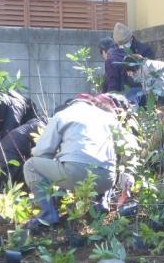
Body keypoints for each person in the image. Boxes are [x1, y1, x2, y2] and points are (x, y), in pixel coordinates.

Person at [23, 97, 116, 228]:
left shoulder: (62, 115)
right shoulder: (105, 116)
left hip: (77, 174)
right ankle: (101, 202)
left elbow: (42, 152)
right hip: (108, 180)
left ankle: (47, 214)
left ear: (69, 105)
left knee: (31, 165)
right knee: (99, 163)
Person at [0, 116, 46, 183]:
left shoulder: (30, 125)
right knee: (36, 164)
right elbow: (44, 152)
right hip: (4, 170)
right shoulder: (39, 127)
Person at [102, 23, 155, 94]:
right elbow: (111, 81)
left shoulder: (144, 51)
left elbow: (112, 84)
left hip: (137, 95)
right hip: (128, 96)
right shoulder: (112, 57)